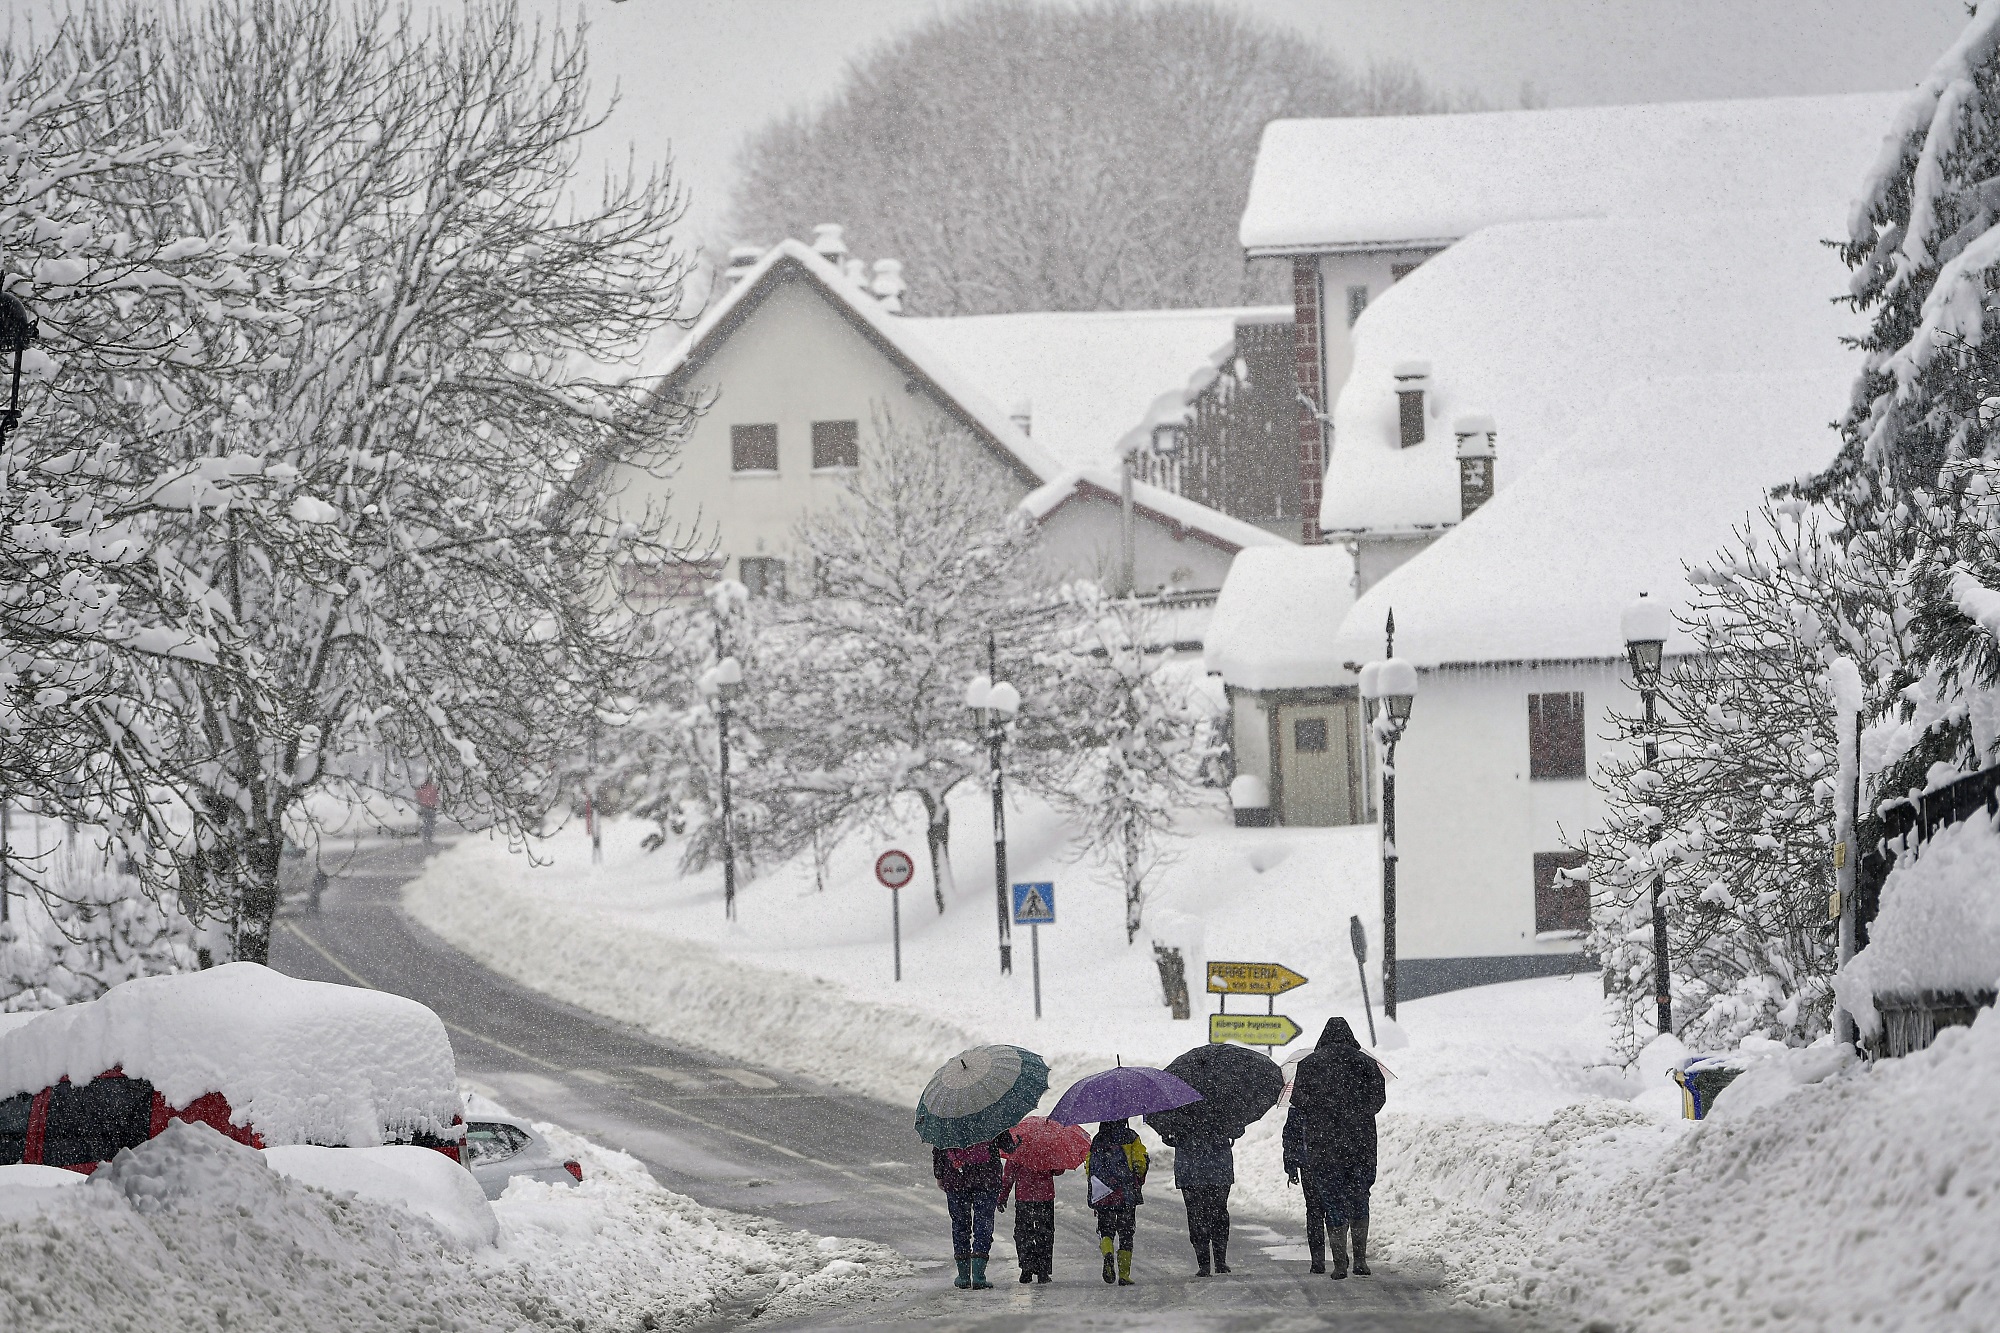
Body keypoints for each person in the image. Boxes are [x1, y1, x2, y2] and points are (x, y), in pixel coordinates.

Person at [1283, 1017, 1386, 1279]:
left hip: (1325, 1146)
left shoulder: (1310, 1064)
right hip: (1361, 1144)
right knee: (1360, 1196)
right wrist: (1355, 1112)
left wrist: (1325, 1109)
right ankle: (1361, 1260)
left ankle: (1340, 1263)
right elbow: (1378, 1100)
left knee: (1333, 1199)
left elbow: (1299, 1100)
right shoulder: (1366, 1063)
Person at [933, 1130, 1014, 1291]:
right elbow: (1009, 1147)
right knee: (983, 1223)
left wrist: (939, 1174)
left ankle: (963, 1276)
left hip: (956, 1177)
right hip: (987, 1178)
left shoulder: (946, 1118)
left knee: (960, 1225)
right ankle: (979, 1275)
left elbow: (938, 1147)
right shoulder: (991, 1115)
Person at [1162, 1126, 1236, 1277]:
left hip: (1190, 1169)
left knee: (1196, 1214)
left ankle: (1203, 1264)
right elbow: (1237, 1130)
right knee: (1219, 1211)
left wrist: (1172, 1135)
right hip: (1219, 1167)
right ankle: (1220, 1260)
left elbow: (1168, 1138)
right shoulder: (1223, 1105)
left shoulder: (1179, 1107)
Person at [1086, 1118, 1149, 1286]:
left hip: (1103, 1193)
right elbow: (1139, 1163)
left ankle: (1107, 1253)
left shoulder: (1098, 1139)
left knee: (1105, 1228)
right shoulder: (1130, 1137)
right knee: (1126, 1231)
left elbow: (1089, 1166)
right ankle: (1124, 1274)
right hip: (1125, 1191)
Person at [997, 1147, 1064, 1283]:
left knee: (1023, 1233)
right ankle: (1043, 1271)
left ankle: (1026, 1268)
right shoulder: (1047, 1147)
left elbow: (1009, 1175)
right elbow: (1058, 1170)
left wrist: (1002, 1196)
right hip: (1044, 1197)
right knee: (1045, 1233)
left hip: (1024, 1197)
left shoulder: (1017, 1148)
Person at [1282, 1111, 1330, 1273]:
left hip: (1312, 1162)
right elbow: (1290, 1136)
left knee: (1315, 1211)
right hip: (1326, 1162)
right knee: (1331, 1209)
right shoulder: (1332, 1098)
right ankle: (1335, 1255)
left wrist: (1291, 1164)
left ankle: (1318, 1259)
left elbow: (1289, 1137)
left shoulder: (1300, 1103)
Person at [415, 777, 440, 846]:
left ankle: (425, 837)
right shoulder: (433, 788)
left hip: (424, 808)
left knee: (425, 823)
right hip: (431, 808)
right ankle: (429, 837)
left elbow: (417, 796)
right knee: (431, 823)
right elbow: (436, 798)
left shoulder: (422, 789)